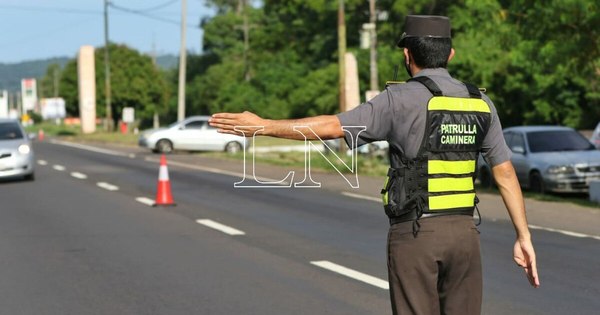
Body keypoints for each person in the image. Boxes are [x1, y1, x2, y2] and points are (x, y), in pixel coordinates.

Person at [209, 14, 539, 315]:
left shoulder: (397, 100)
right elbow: (505, 173)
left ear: (407, 55)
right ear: (451, 55)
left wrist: (263, 125)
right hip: (466, 235)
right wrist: (523, 236)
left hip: (416, 234)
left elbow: (331, 127)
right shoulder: (481, 103)